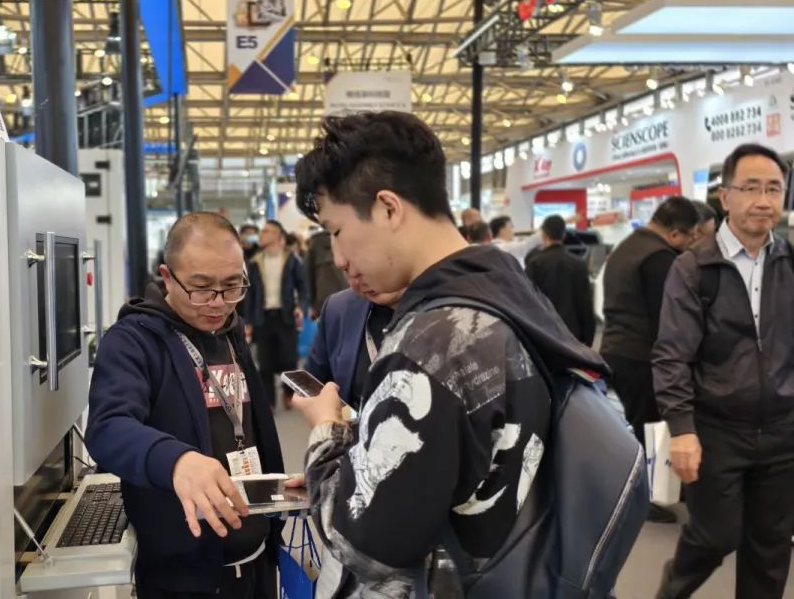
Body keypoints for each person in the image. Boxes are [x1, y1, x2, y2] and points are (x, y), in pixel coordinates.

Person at [289, 111, 607, 597]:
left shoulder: (433, 341)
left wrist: (325, 432)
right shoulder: (506, 290)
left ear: (388, 208)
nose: (337, 258)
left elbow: (365, 545)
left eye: (335, 231)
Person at [86, 212, 288, 598]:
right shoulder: (133, 342)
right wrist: (176, 460)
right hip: (184, 576)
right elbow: (108, 427)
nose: (218, 303)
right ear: (167, 277)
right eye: (201, 288)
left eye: (232, 286)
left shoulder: (230, 331)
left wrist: (280, 485)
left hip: (256, 559)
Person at [653, 144, 794, 599]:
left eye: (774, 189)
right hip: (717, 429)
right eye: (750, 188)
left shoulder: (789, 261)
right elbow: (672, 353)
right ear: (725, 196)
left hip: (783, 431)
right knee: (714, 537)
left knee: (771, 548)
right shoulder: (694, 267)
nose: (763, 200)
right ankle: (671, 590)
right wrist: (681, 428)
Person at [600, 197, 701, 524]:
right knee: (649, 428)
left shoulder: (627, 246)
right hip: (642, 355)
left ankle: (650, 491)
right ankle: (642, 499)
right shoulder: (659, 258)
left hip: (617, 350)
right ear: (675, 233)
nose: (690, 244)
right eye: (690, 237)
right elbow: (669, 316)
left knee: (638, 425)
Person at [305, 278, 402, 408]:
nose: (354, 280)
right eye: (346, 270)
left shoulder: (428, 310)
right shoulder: (338, 308)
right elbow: (314, 381)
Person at [244, 220, 309, 409]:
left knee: (289, 359)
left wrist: (300, 307)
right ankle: (269, 401)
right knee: (264, 363)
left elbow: (303, 287)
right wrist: (248, 321)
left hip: (285, 316)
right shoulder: (255, 262)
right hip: (262, 318)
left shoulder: (292, 260)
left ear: (278, 236)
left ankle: (289, 393)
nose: (262, 234)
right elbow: (250, 293)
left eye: (267, 231)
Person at [525, 215, 596, 346]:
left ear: (544, 235)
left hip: (543, 332)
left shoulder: (534, 263)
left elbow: (528, 301)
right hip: (572, 334)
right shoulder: (578, 264)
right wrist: (589, 336)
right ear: (564, 236)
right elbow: (585, 303)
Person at [305, 229, 348, 321]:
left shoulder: (315, 243)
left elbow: (309, 277)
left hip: (324, 301)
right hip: (350, 297)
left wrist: (312, 303)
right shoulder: (349, 237)